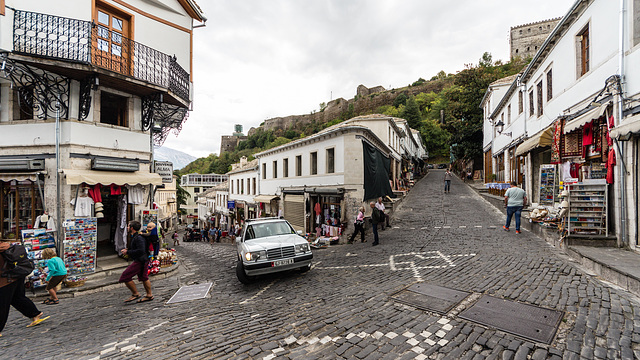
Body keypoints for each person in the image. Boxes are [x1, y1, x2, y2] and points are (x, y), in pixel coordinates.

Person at [0, 242, 49, 337]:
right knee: (17, 298)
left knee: (2, 304)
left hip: (5, 280)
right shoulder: (6, 246)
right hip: (17, 276)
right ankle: (34, 314)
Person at [119, 221, 154, 303]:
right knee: (144, 277)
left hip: (140, 261)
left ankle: (135, 294)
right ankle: (149, 295)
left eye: (128, 226)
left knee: (125, 276)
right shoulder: (135, 236)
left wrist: (128, 252)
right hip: (142, 260)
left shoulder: (138, 238)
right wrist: (128, 250)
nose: (127, 228)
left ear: (131, 228)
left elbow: (141, 250)